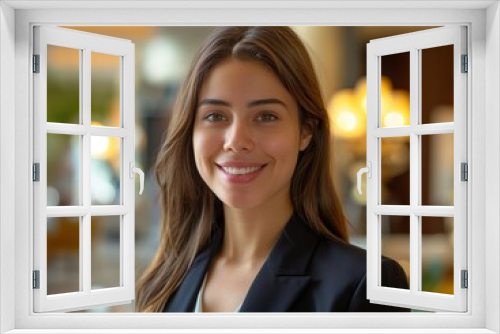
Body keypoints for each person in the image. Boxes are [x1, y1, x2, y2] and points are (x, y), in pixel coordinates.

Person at [136, 26, 409, 313]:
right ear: (190, 130)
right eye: (215, 115)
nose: (236, 141)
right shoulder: (166, 280)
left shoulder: (366, 285)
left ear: (305, 130)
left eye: (266, 116)